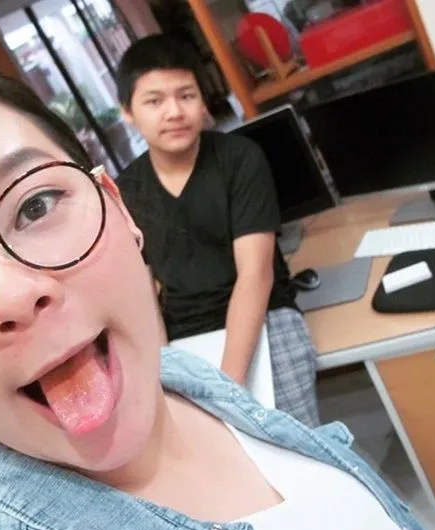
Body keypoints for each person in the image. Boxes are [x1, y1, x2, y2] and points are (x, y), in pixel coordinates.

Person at [0, 43, 435, 530]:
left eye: (35, 206)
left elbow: (253, 276)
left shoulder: (184, 378)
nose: (14, 296)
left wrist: (223, 373)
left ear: (119, 209)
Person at [115, 35, 319, 427]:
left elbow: (256, 275)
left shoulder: (239, 159)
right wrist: (165, 374)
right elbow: (145, 291)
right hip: (185, 333)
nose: (174, 112)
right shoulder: (127, 190)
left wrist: (228, 388)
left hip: (266, 317)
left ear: (203, 101)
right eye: (154, 101)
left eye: (186, 96)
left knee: (297, 444)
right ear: (128, 112)